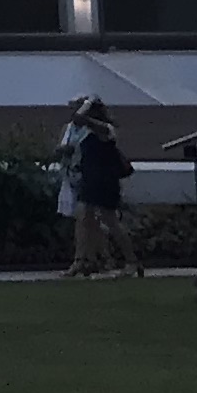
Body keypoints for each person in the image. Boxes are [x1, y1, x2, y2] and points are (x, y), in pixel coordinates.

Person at [56, 95, 137, 279]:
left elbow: (80, 117)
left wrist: (88, 103)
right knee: (84, 218)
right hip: (89, 178)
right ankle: (81, 260)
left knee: (110, 220)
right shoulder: (84, 131)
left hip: (105, 180)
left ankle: (131, 260)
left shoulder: (104, 129)